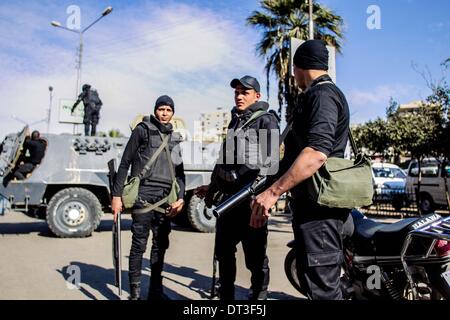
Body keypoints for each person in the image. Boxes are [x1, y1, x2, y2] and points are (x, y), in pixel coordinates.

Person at [251, 40, 352, 300]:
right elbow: (293, 159)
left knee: (324, 292)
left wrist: (273, 193)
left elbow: (316, 154)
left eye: (293, 69)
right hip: (311, 210)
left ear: (299, 67)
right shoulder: (317, 95)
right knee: (315, 286)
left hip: (321, 213)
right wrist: (261, 189)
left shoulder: (323, 95)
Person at [197, 76, 279, 300]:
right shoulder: (236, 120)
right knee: (224, 253)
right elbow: (225, 161)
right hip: (227, 202)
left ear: (257, 96)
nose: (239, 96)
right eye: (237, 92)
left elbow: (270, 166)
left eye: (245, 92)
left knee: (255, 258)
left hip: (250, 202)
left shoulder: (266, 120)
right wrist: (212, 187)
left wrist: (262, 202)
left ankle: (258, 298)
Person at [111, 95, 186, 300]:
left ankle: (156, 291)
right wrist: (116, 196)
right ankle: (135, 294)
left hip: (165, 200)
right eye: (161, 109)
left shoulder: (175, 138)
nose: (164, 113)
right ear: (155, 111)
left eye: (168, 110)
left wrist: (181, 198)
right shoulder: (142, 130)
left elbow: (180, 173)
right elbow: (125, 163)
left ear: (172, 113)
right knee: (139, 245)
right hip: (142, 196)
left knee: (160, 246)